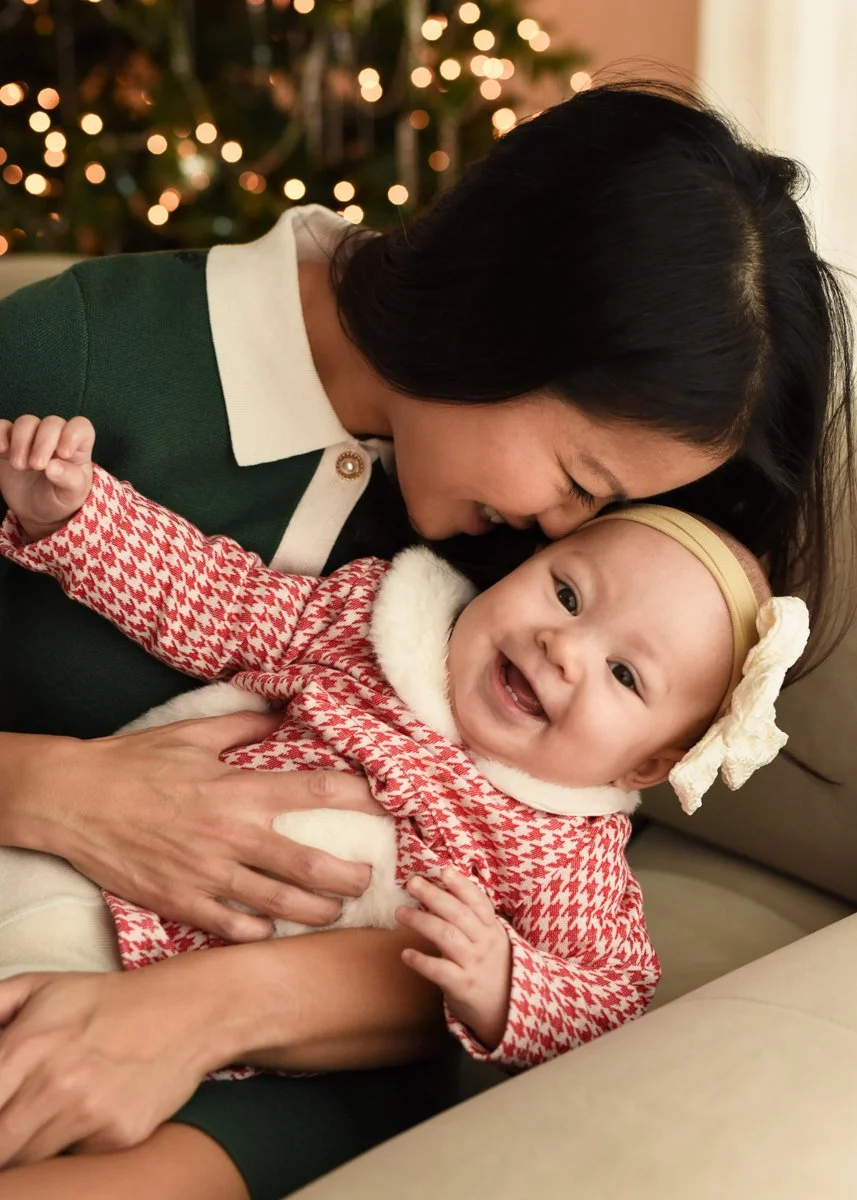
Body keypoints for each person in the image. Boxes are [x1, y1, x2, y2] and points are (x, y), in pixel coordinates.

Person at [0, 80, 853, 1200]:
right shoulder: (70, 368)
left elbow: (519, 910)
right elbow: (213, 598)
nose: (563, 538)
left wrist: (202, 1012)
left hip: (292, 1071)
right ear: (495, 313)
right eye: (576, 483)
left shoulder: (507, 588)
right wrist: (53, 787)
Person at [0, 414, 807, 1067]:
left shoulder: (565, 854)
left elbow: (613, 993)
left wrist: (501, 980)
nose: (564, 648)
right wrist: (76, 515)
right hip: (88, 843)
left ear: (647, 762)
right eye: (565, 593)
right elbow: (220, 599)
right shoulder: (377, 625)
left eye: (625, 675)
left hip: (146, 994)